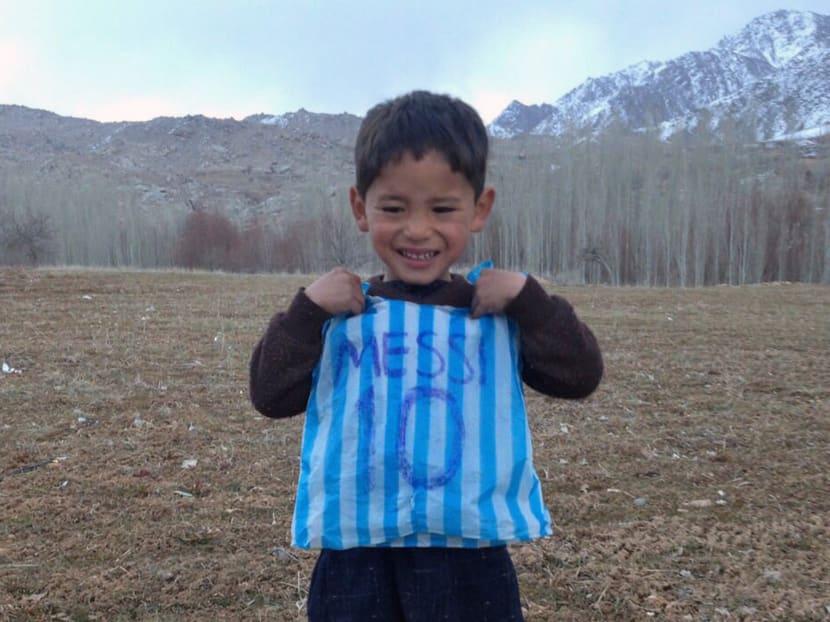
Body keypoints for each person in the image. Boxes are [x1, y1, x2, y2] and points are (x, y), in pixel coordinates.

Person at [249, 90, 603, 621]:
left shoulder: (496, 311)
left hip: (470, 555)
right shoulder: (339, 312)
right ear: (360, 208)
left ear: (479, 209)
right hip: (356, 553)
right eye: (394, 208)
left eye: (442, 209)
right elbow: (270, 395)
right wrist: (304, 314)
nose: (418, 229)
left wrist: (532, 302)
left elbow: (580, 376)